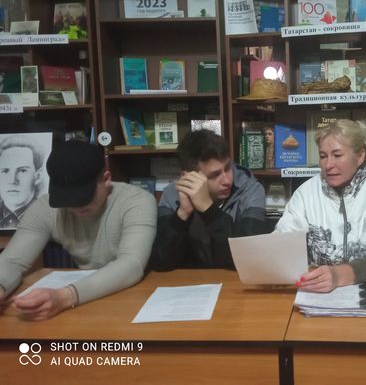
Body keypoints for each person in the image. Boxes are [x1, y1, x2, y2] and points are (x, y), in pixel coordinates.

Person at [0, 140, 157, 320]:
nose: (75, 205)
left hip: (133, 297)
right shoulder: (45, 208)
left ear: (106, 179)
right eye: (67, 197)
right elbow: (12, 260)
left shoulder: (136, 201)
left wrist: (66, 297)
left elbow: (131, 264)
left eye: (83, 195)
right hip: (86, 299)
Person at [275, 119, 366, 293]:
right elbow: (282, 243)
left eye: (337, 155)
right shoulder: (305, 193)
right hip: (317, 290)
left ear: (360, 156)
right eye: (323, 156)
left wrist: (340, 275)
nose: (328, 165)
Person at [149, 129, 267, 270]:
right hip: (192, 279)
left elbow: (250, 258)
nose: (227, 180)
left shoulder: (251, 189)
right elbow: (160, 262)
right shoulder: (172, 195)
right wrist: (183, 214)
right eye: (214, 175)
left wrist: (208, 209)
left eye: (228, 168)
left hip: (234, 278)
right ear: (189, 177)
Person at [0, 136, 45, 230]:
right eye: (5, 171)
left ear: (38, 176)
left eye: (22, 170)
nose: (12, 181)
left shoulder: (47, 217)